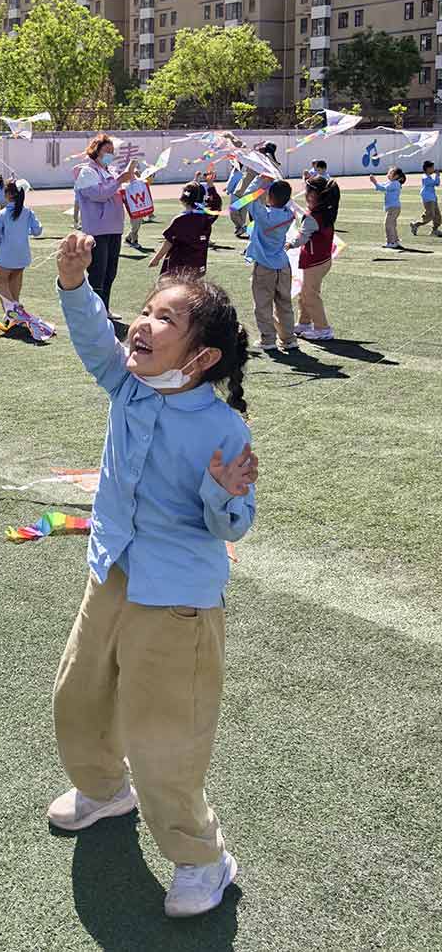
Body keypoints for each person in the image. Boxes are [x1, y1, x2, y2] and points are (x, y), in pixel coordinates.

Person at [50, 232, 256, 919]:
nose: (143, 322)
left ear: (201, 357)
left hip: (178, 603)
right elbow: (91, 341)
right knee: (77, 694)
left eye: (166, 318)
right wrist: (76, 286)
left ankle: (202, 856)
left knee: (164, 738)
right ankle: (105, 788)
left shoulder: (223, 427)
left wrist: (225, 493)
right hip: (112, 572)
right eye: (146, 309)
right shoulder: (129, 385)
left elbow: (233, 526)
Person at [74, 134, 137, 319]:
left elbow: (114, 191)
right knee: (97, 273)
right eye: (106, 150)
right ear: (96, 150)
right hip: (97, 230)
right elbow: (99, 194)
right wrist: (119, 181)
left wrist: (131, 184)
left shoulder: (109, 171)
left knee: (110, 272)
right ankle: (93, 312)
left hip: (114, 228)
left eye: (112, 151)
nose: (110, 154)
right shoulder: (88, 172)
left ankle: (104, 309)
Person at [244, 177, 297, 352]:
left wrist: (259, 181)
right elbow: (284, 202)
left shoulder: (263, 215)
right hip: (283, 265)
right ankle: (289, 338)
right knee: (284, 303)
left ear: (270, 196)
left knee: (262, 304)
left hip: (264, 266)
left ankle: (268, 339)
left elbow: (247, 197)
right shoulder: (289, 214)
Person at [292, 176, 340, 342]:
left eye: (307, 191)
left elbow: (302, 237)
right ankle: (304, 322)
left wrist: (288, 244)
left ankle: (322, 328)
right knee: (305, 293)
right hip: (321, 260)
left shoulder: (314, 217)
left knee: (310, 294)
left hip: (315, 261)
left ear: (313, 195)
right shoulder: (325, 211)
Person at [148, 182, 221, 278]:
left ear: (183, 199)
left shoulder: (180, 220)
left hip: (179, 267)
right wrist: (211, 186)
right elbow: (216, 204)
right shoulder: (206, 217)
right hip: (198, 266)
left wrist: (156, 259)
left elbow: (168, 243)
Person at [0, 178, 43, 305]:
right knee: (14, 283)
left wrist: (0, 242)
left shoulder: (2, 214)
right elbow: (37, 231)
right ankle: (14, 311)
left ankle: (14, 309)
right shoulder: (28, 211)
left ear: (8, 195)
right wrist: (24, 232)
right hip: (22, 255)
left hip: (6, 255)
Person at [369, 166, 405, 249]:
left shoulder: (395, 183)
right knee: (392, 225)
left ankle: (391, 242)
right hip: (393, 207)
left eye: (390, 173)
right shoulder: (392, 183)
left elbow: (382, 188)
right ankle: (395, 241)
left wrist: (374, 182)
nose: (388, 174)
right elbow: (381, 186)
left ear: (396, 176)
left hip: (393, 208)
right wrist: (375, 182)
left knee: (388, 224)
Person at [122, 169, 157, 249]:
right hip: (134, 209)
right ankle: (134, 241)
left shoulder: (139, 183)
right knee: (135, 226)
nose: (134, 176)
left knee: (136, 226)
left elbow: (146, 182)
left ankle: (128, 239)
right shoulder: (127, 186)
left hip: (138, 207)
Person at [410, 159, 441, 237]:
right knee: (430, 215)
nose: (434, 169)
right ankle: (415, 224)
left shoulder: (428, 176)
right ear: (428, 168)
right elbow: (436, 183)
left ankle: (434, 230)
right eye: (432, 167)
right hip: (428, 198)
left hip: (433, 197)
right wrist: (437, 175)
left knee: (438, 215)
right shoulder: (425, 177)